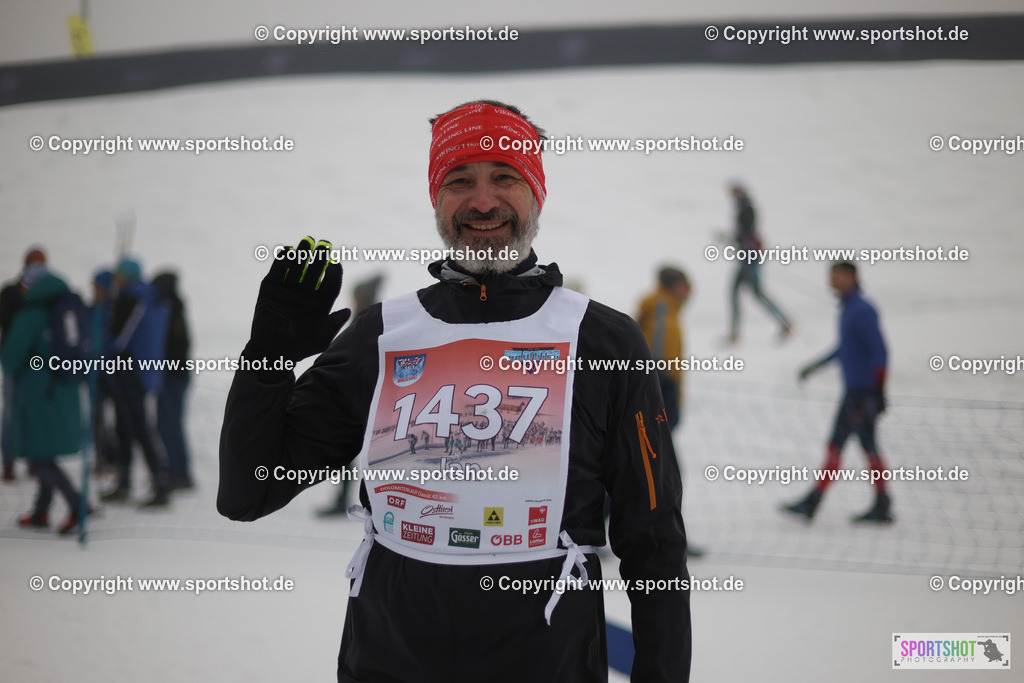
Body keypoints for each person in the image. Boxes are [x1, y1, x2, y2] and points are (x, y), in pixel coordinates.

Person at [219, 100, 691, 682]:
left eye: (505, 178)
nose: (484, 201)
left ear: (536, 193)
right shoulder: (382, 336)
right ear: (437, 200)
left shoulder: (602, 338)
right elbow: (247, 493)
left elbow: (655, 545)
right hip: (389, 660)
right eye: (460, 180)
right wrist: (267, 359)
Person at [783, 261, 892, 523]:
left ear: (852, 277)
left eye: (837, 276)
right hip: (858, 390)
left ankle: (813, 502)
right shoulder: (849, 308)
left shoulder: (861, 309)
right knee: (867, 446)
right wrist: (815, 366)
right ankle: (882, 503)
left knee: (837, 445)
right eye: (830, 276)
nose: (831, 281)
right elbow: (844, 349)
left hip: (860, 393)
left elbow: (880, 351)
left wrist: (878, 390)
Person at [1, 261, 87, 535]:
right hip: (64, 393)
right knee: (45, 452)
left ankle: (77, 505)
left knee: (39, 456)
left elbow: (10, 359)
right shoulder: (67, 309)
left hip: (39, 395)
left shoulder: (32, 315)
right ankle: (41, 510)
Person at [99, 257, 172, 508]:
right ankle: (130, 482)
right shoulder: (155, 299)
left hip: (130, 372)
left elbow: (117, 340)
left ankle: (157, 485)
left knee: (136, 428)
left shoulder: (133, 298)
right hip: (144, 370)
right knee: (128, 427)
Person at [1, 247, 48, 483]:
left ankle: (34, 460)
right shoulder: (10, 293)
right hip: (15, 362)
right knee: (11, 414)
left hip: (36, 366)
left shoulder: (47, 296)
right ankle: (9, 462)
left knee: (32, 413)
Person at [725, 182, 793, 344]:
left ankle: (784, 322)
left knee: (749, 293)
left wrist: (735, 239)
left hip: (749, 257)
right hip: (748, 256)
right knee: (748, 293)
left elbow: (745, 233)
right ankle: (783, 323)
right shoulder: (745, 208)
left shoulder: (746, 209)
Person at [152, 271, 194, 491]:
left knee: (169, 425)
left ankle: (179, 473)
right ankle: (179, 472)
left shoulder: (168, 308)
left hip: (172, 376)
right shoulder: (174, 307)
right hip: (176, 374)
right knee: (169, 425)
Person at [636, 266, 691, 430]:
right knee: (657, 445)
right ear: (675, 286)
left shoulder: (666, 308)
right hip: (660, 386)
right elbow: (657, 349)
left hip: (658, 383)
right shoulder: (662, 308)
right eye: (686, 286)